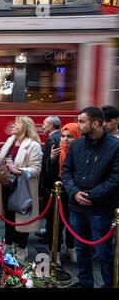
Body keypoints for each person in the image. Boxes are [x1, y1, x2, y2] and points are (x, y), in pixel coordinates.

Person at [62, 107, 119, 288]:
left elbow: (116, 177)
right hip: (77, 206)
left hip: (101, 209)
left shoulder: (115, 146)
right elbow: (66, 171)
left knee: (103, 252)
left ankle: (108, 284)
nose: (77, 125)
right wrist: (74, 192)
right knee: (81, 248)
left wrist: (91, 195)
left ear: (95, 123)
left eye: (81, 121)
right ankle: (85, 282)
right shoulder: (77, 145)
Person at [0, 116, 42, 260]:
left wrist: (18, 170)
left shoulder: (33, 145)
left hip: (23, 188)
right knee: (9, 217)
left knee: (22, 218)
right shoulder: (10, 140)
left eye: (17, 124)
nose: (13, 126)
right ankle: (8, 245)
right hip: (7, 185)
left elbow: (36, 169)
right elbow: (1, 158)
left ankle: (21, 248)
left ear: (25, 127)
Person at [45, 123, 80, 265]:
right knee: (56, 225)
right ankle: (55, 252)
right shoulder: (56, 150)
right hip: (58, 193)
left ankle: (71, 249)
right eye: (63, 136)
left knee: (72, 224)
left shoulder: (80, 152)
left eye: (69, 136)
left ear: (77, 137)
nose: (65, 139)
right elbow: (47, 176)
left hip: (73, 193)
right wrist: (52, 159)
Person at [37, 116, 61, 244]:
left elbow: (48, 163)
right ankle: (49, 233)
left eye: (45, 124)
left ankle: (52, 237)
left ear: (51, 125)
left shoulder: (52, 139)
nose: (42, 126)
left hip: (50, 184)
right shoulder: (58, 137)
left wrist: (44, 184)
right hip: (54, 183)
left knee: (52, 214)